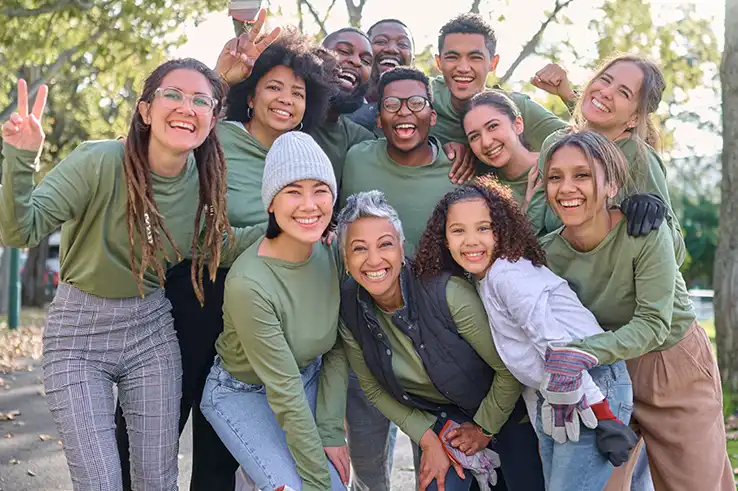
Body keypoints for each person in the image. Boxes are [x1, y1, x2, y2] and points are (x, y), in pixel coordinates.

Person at [0, 58, 257, 490]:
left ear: (212, 119)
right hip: (78, 336)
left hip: (149, 332)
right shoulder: (99, 161)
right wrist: (21, 159)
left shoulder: (206, 183)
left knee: (156, 481)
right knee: (100, 481)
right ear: (145, 110)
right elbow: (19, 229)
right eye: (172, 94)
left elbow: (218, 245)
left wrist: (286, 227)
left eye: (200, 100)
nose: (185, 107)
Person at [113, 18, 334, 491]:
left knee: (218, 453)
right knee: (151, 428)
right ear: (250, 95)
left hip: (255, 311)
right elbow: (165, 146)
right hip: (194, 294)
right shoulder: (217, 139)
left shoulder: (308, 157)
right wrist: (219, 76)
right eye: (273, 87)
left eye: (298, 93)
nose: (285, 99)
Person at [539, 131, 733, 491]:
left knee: (697, 484)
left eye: (582, 175)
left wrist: (580, 353)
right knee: (601, 486)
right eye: (555, 177)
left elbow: (653, 324)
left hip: (669, 364)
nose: (567, 188)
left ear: (611, 184)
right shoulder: (548, 254)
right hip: (603, 377)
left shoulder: (645, 233)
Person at [413, 178, 637, 490]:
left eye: (483, 228)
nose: (471, 240)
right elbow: (527, 362)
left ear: (501, 230)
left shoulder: (508, 275)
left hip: (588, 384)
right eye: (458, 230)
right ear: (444, 240)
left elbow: (557, 347)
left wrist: (604, 415)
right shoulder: (485, 278)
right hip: (556, 394)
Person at [336, 190, 545, 491]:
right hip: (441, 421)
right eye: (359, 249)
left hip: (504, 410)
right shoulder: (348, 306)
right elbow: (372, 387)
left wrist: (484, 428)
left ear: (401, 247)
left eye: (385, 245)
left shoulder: (447, 293)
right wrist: (427, 437)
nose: (374, 259)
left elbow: (508, 367)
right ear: (345, 260)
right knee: (438, 485)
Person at [200, 132, 349, 491]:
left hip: (306, 376)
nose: (309, 204)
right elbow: (283, 392)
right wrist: (317, 485)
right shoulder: (249, 283)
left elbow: (340, 345)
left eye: (320, 189)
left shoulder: (332, 252)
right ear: (271, 203)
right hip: (242, 391)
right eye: (293, 191)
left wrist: (330, 430)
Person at [530, 56, 684, 264]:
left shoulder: (638, 157)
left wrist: (655, 216)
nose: (606, 92)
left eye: (623, 92)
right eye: (605, 80)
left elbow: (676, 253)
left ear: (634, 118)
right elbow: (534, 231)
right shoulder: (556, 144)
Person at [341, 67, 463, 257]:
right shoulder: (356, 158)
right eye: (391, 104)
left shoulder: (458, 171)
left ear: (432, 117)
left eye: (416, 103)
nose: (404, 111)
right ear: (380, 119)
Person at [430, 14, 567, 155]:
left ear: (493, 63)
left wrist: (568, 96)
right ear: (439, 62)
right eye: (452, 57)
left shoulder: (514, 106)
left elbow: (581, 141)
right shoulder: (422, 94)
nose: (463, 68)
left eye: (475, 58)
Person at [347, 19, 415, 133]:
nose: (392, 49)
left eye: (403, 44)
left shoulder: (424, 109)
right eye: (381, 41)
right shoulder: (341, 103)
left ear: (412, 61)